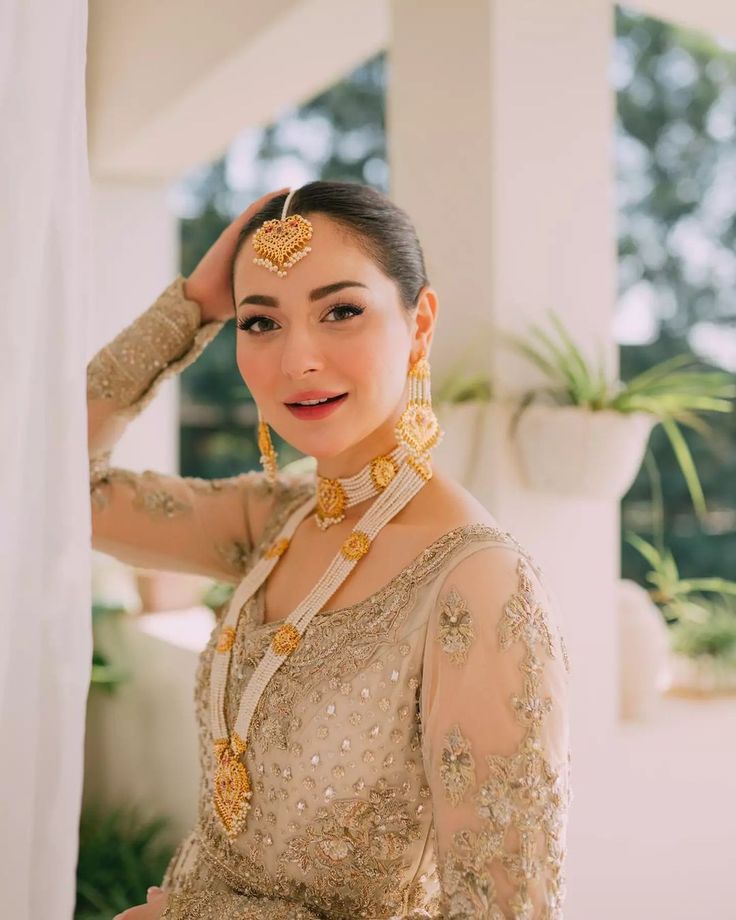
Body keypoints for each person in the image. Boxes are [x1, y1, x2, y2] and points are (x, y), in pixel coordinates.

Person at [89, 181, 572, 920]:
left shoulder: (475, 582)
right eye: (261, 322)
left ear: (420, 325)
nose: (297, 360)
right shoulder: (275, 521)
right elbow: (45, 480)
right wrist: (192, 305)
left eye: (341, 311)